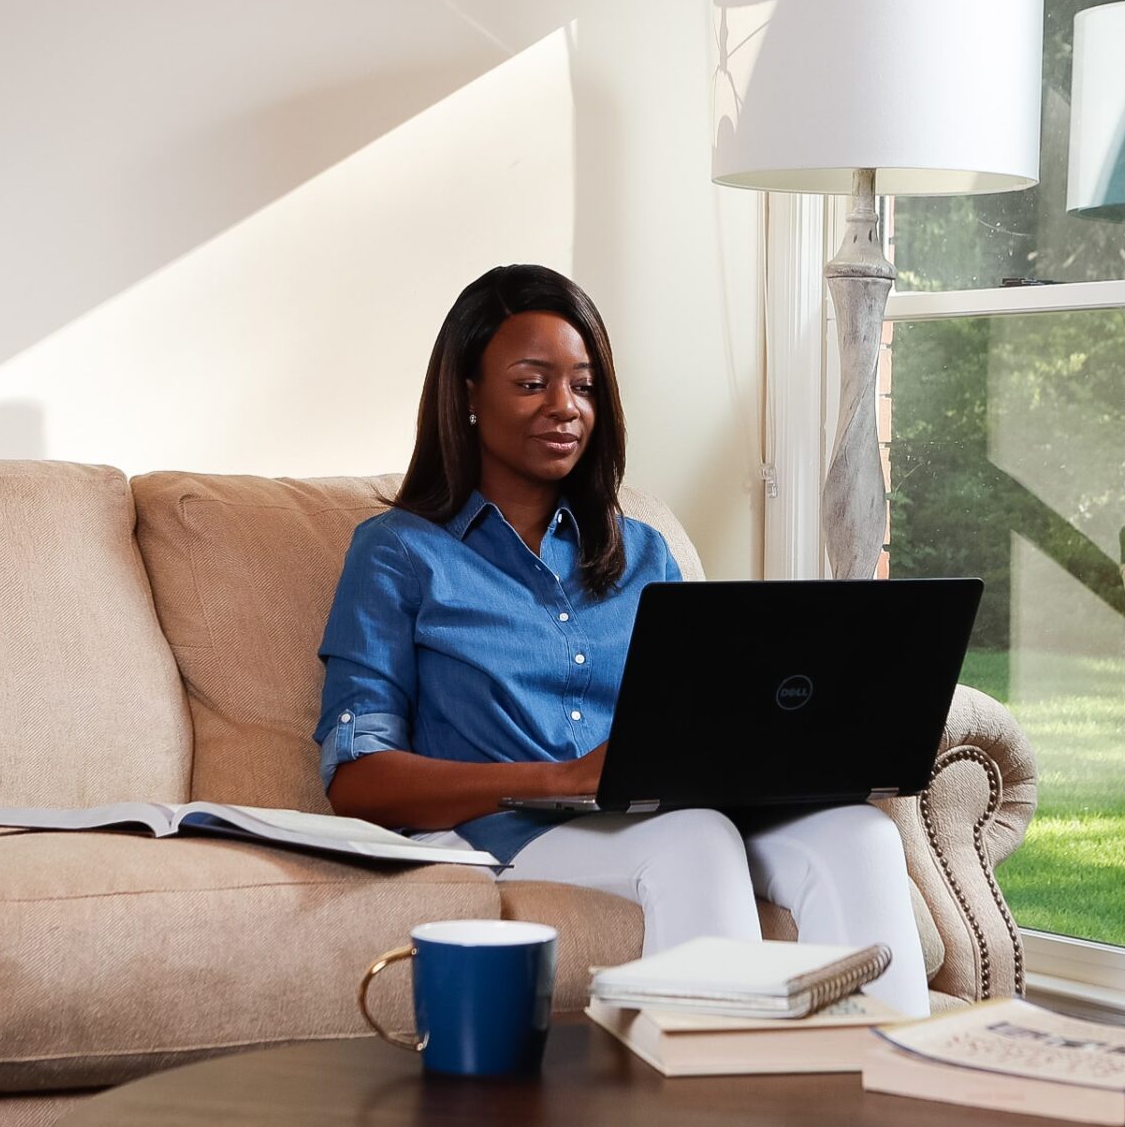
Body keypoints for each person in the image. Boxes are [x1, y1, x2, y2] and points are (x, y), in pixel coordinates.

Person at [315, 264, 930, 1017]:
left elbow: (706, 708)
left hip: (671, 809)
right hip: (518, 831)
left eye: (584, 385)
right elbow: (357, 781)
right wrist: (561, 777)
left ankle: (887, 1100)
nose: (564, 407)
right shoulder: (398, 551)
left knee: (861, 832)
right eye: (532, 381)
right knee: (694, 837)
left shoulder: (645, 550)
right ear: (467, 393)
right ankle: (709, 1119)